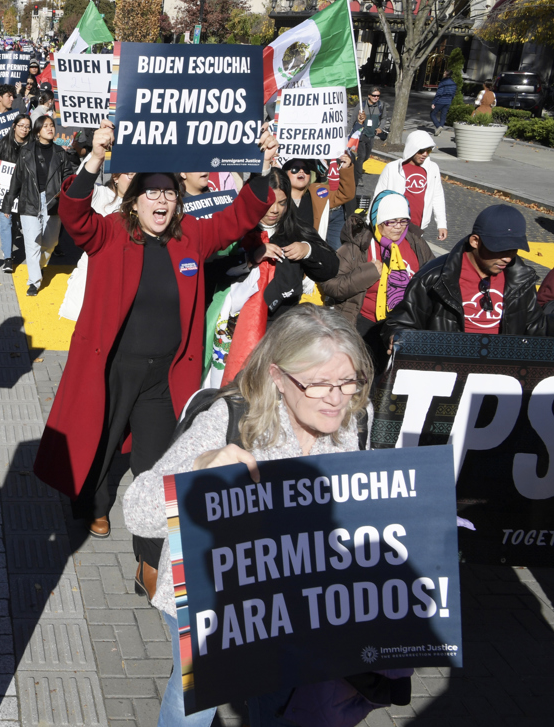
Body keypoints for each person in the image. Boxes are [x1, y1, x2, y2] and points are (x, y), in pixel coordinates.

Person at [122, 305, 401, 727]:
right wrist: (199, 469)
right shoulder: (232, 419)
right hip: (216, 600)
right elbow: (137, 512)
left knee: (281, 703)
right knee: (193, 706)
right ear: (277, 377)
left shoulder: (357, 420)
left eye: (348, 381)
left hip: (299, 601)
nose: (336, 398)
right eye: (318, 384)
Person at [31, 119, 277, 591]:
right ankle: (94, 505)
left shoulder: (192, 239)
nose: (161, 201)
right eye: (152, 193)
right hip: (112, 368)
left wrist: (263, 170)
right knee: (99, 447)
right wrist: (97, 157)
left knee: (158, 461)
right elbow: (73, 212)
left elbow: (241, 217)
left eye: (169, 194)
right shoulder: (109, 234)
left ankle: (149, 556)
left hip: (164, 378)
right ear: (135, 200)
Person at [212, 167, 340, 383]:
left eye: (282, 203)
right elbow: (213, 269)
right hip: (235, 330)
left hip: (280, 330)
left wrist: (307, 250)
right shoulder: (235, 228)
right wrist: (251, 258)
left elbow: (331, 267)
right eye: (269, 203)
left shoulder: (296, 230)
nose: (275, 210)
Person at [384, 203, 553, 342]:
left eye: (513, 250)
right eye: (499, 250)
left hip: (503, 374)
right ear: (475, 241)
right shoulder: (433, 278)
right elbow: (401, 322)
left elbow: (536, 327)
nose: (507, 258)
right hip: (449, 372)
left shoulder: (522, 279)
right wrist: (396, 337)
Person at [319, 191, 433, 372]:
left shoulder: (416, 244)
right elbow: (331, 285)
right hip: (364, 324)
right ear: (377, 221)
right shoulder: (357, 247)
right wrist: (367, 273)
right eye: (391, 221)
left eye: (403, 221)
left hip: (404, 325)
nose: (398, 227)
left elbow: (432, 280)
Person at [11, 114, 77, 296]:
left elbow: (67, 178)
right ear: (37, 131)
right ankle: (34, 281)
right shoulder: (25, 152)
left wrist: (65, 193)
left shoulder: (60, 153)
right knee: (32, 242)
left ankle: (39, 267)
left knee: (50, 242)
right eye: (45, 126)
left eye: (52, 125)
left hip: (53, 200)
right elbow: (17, 178)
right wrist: (9, 202)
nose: (50, 128)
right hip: (30, 199)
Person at [58, 170, 132, 321]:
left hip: (125, 281)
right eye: (130, 174)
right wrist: (96, 157)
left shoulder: (143, 204)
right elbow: (74, 192)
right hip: (94, 277)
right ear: (115, 177)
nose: (135, 179)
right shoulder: (102, 194)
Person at [372, 130, 447, 242]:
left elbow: (437, 196)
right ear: (412, 148)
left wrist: (441, 224)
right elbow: (378, 198)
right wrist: (372, 226)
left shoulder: (433, 168)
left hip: (418, 229)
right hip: (394, 228)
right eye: (421, 150)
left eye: (428, 150)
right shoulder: (392, 168)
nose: (425, 154)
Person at [0, 114, 32, 271]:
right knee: (5, 220)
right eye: (21, 125)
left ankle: (9, 245)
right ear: (14, 126)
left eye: (27, 126)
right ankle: (8, 258)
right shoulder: (2, 144)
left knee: (15, 224)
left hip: (24, 192)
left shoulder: (33, 146)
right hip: (5, 193)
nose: (24, 129)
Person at [351, 87, 389, 186]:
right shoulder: (361, 105)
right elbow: (352, 120)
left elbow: (384, 118)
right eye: (374, 95)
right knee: (361, 156)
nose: (376, 97)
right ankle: (358, 178)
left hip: (371, 135)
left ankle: (354, 168)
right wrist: (348, 134)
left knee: (366, 157)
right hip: (361, 134)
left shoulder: (381, 105)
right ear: (369, 96)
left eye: (378, 96)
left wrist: (380, 127)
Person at [432, 70, 458, 134]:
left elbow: (439, 93)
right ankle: (439, 130)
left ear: (446, 74)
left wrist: (434, 102)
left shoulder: (443, 82)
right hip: (448, 101)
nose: (443, 74)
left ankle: (438, 126)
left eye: (444, 73)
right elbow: (453, 94)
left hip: (441, 100)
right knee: (443, 115)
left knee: (432, 114)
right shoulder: (453, 83)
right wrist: (450, 100)